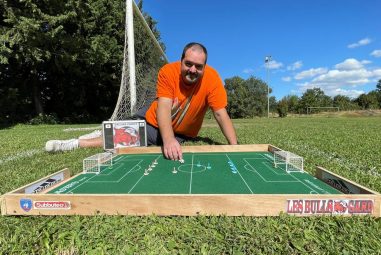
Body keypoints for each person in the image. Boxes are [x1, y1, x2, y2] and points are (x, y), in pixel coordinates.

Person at [45, 42, 238, 160]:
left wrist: (235, 147)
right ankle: (74, 143)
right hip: (155, 119)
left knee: (126, 132)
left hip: (183, 133)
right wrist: (168, 140)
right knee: (124, 137)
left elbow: (220, 113)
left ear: (205, 67)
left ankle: (108, 130)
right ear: (181, 61)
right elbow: (163, 106)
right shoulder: (167, 71)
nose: (192, 70)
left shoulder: (213, 78)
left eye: (198, 66)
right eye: (188, 64)